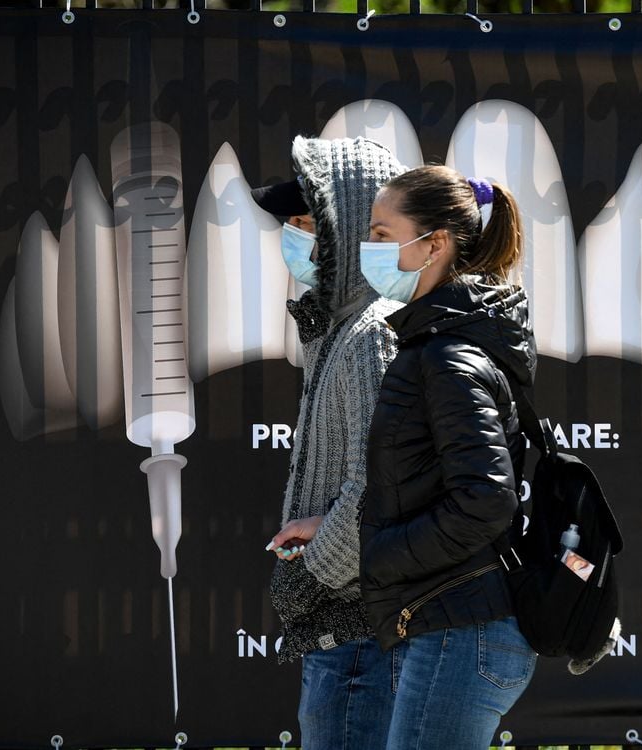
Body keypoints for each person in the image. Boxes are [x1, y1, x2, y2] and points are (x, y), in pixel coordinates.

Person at [358, 165, 538, 749]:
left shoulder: (446, 356)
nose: (370, 248)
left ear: (434, 243)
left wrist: (381, 554)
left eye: (383, 235)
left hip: (464, 628)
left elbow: (486, 500)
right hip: (454, 621)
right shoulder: (441, 342)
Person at [254, 136, 405, 750]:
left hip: (359, 638)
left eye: (307, 222)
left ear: (353, 226)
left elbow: (375, 488)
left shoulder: (370, 332)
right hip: (350, 637)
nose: (295, 237)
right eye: (289, 224)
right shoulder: (340, 326)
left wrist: (316, 574)